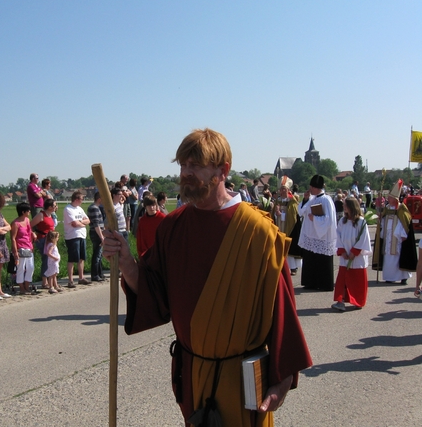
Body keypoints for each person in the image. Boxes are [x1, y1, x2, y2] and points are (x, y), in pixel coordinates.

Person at [102, 129, 311, 426]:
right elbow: (155, 293)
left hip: (241, 381)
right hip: (193, 375)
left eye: (196, 165)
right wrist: (126, 263)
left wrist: (283, 378)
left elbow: (281, 310)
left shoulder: (257, 233)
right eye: (183, 165)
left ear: (222, 170)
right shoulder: (173, 227)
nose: (186, 173)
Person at [372, 180, 418, 284]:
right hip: (388, 237)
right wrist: (380, 219)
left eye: (390, 197)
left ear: (395, 198)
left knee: (399, 256)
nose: (388, 198)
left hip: (398, 238)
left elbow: (405, 221)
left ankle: (403, 277)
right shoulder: (387, 208)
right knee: (388, 255)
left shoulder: (401, 208)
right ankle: (390, 277)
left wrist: (402, 233)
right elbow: (384, 219)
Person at [298, 175, 337, 291]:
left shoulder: (326, 200)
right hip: (311, 234)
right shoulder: (312, 198)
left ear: (317, 187)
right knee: (310, 259)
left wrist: (314, 219)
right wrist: (305, 200)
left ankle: (324, 284)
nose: (310, 189)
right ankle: (311, 282)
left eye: (311, 187)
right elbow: (301, 211)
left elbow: (329, 219)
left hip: (322, 236)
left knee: (322, 261)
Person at [332, 197, 372, 311]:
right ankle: (341, 301)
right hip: (345, 256)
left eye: (345, 205)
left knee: (357, 280)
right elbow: (338, 237)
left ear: (351, 207)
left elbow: (363, 239)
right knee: (342, 279)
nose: (343, 207)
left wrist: (354, 252)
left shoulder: (361, 222)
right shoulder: (342, 222)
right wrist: (342, 251)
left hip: (357, 257)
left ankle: (358, 301)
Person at [63, 190, 91, 288]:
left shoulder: (79, 209)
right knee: (72, 258)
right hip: (72, 236)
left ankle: (81, 277)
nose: (82, 201)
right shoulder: (68, 209)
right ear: (76, 199)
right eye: (82, 199)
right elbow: (74, 223)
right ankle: (70, 280)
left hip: (82, 235)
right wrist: (81, 222)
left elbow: (88, 220)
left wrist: (81, 222)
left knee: (81, 258)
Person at [30, 198, 57, 289]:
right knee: (46, 260)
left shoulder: (51, 215)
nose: (56, 207)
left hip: (51, 240)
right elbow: (30, 225)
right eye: (54, 206)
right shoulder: (41, 215)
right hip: (43, 240)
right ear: (49, 207)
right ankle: (44, 281)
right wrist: (33, 233)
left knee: (51, 260)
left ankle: (51, 281)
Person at [11, 202, 36, 295]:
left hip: (28, 246)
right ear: (23, 212)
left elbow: (29, 232)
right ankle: (21, 287)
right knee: (20, 268)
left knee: (30, 267)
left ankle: (27, 284)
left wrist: (32, 236)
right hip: (20, 247)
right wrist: (15, 251)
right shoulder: (15, 223)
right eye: (28, 210)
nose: (29, 211)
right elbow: (13, 238)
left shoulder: (27, 220)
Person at [87, 192, 105, 282]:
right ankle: (95, 274)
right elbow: (96, 224)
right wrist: (101, 236)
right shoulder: (94, 208)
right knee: (97, 255)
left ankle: (100, 273)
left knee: (99, 254)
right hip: (96, 233)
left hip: (98, 232)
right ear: (99, 199)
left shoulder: (96, 207)